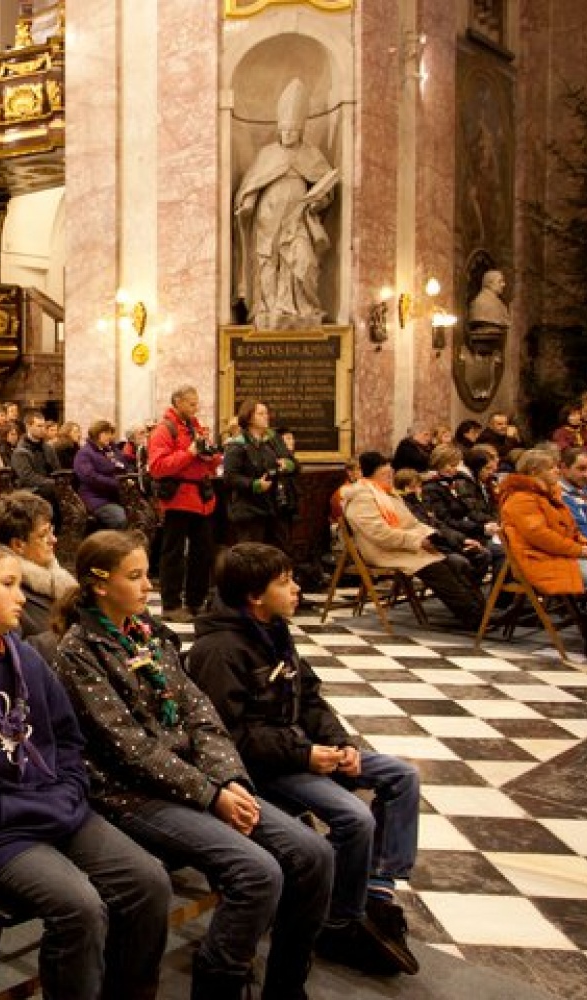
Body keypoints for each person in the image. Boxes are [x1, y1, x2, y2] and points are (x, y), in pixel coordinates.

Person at [51, 530, 331, 999]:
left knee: (313, 854)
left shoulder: (150, 635)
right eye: (135, 577)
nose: (148, 587)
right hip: (132, 794)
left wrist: (229, 778)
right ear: (100, 585)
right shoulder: (79, 652)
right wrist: (210, 794)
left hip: (197, 780)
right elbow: (130, 749)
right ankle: (218, 983)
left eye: (146, 575)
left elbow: (202, 713)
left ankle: (286, 984)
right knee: (258, 872)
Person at [0, 543, 172, 1000]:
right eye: (8, 584)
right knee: (80, 907)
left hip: (53, 810)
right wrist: (22, 808)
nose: (22, 596)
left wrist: (68, 791)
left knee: (149, 882)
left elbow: (67, 739)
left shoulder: (27, 660)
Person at [188, 543, 420, 976]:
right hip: (265, 768)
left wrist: (340, 742)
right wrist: (305, 754)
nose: (297, 589)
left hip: (302, 750)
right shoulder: (219, 651)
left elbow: (309, 697)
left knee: (401, 776)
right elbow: (227, 737)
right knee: (356, 819)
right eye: (285, 582)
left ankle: (376, 892)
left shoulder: (275, 630)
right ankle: (337, 923)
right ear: (256, 596)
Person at [497, 449, 587, 663]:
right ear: (534, 471)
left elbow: (569, 527)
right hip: (541, 560)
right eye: (551, 468)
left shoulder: (547, 494)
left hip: (560, 554)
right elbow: (541, 537)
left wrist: (581, 542)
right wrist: (576, 549)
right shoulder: (521, 499)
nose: (556, 471)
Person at [233, 78, 337, 329]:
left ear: (301, 130)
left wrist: (317, 203)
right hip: (267, 219)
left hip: (298, 219)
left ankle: (302, 308)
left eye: (293, 130)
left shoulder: (312, 155)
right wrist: (247, 203)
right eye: (285, 129)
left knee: (304, 263)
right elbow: (251, 185)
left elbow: (326, 192)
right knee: (267, 264)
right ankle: (267, 307)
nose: (288, 134)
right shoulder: (267, 155)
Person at [341, 452, 485, 629]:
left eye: (390, 474)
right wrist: (417, 541)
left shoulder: (386, 493)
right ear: (372, 475)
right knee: (436, 568)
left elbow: (412, 523)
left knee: (453, 561)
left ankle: (480, 611)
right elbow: (380, 534)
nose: (390, 478)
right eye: (385, 475)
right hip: (383, 550)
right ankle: (473, 616)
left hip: (403, 544)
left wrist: (435, 536)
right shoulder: (362, 497)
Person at [147, 385, 221, 622]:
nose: (195, 407)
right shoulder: (164, 430)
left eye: (196, 402)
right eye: (191, 403)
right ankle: (171, 605)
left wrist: (211, 455)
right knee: (174, 553)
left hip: (202, 498)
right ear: (177, 402)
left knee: (203, 552)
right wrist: (189, 453)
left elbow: (210, 463)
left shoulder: (195, 426)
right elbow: (158, 467)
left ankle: (196, 602)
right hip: (178, 498)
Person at [0, 491, 76, 661]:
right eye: (44, 535)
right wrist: (72, 633)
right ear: (18, 545)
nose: (54, 540)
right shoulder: (4, 589)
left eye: (52, 531)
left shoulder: (57, 576)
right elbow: (12, 653)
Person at [223, 400, 300, 549]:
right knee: (253, 557)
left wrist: (288, 465)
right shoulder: (237, 445)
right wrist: (254, 485)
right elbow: (230, 477)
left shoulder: (271, 440)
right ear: (249, 417)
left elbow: (293, 464)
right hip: (250, 511)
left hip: (274, 508)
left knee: (278, 554)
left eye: (266, 413)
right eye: (261, 413)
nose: (266, 417)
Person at [73, 420, 130, 531]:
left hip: (115, 496)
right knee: (119, 519)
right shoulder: (84, 453)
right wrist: (117, 483)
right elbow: (90, 477)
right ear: (97, 434)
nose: (110, 436)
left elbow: (123, 465)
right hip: (96, 498)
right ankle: (111, 546)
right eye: (107, 433)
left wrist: (126, 478)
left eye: (110, 433)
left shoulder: (108, 450)